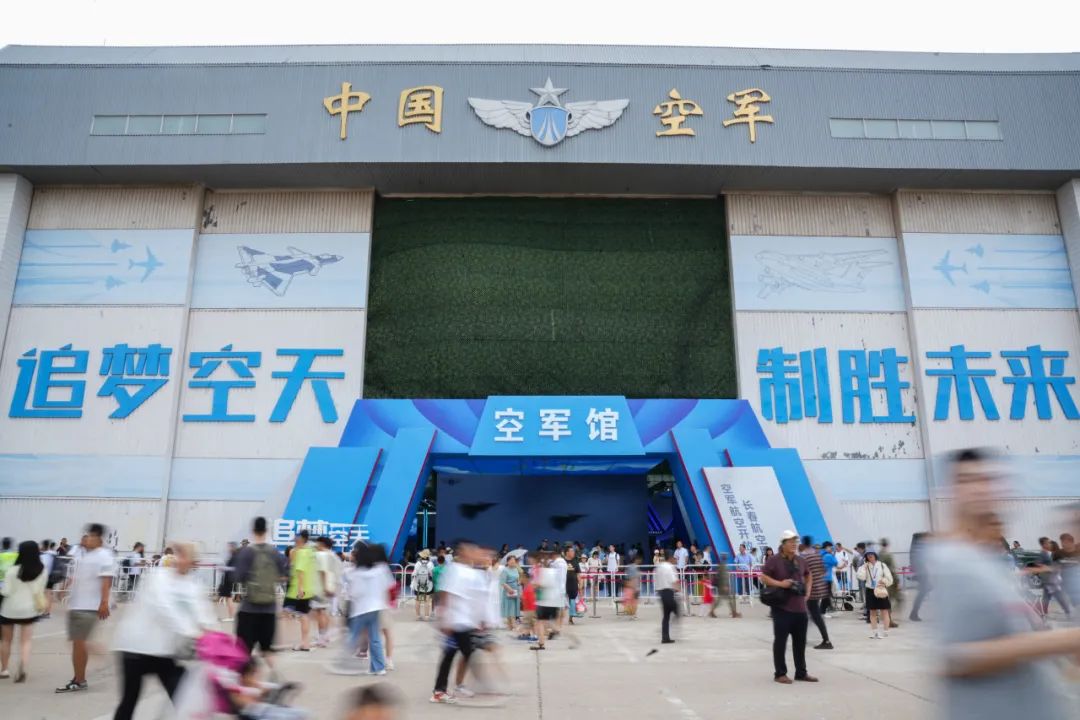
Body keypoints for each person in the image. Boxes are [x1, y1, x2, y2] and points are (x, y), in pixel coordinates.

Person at [926, 448, 1080, 720]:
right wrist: (1063, 640)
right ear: (951, 490)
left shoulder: (984, 558)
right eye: (966, 480)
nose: (979, 488)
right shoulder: (951, 559)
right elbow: (955, 658)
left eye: (987, 479)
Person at [111, 541, 216, 720]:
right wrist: (194, 633)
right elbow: (164, 607)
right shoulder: (158, 577)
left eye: (186, 556)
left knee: (184, 696)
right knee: (130, 700)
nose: (180, 559)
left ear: (193, 562)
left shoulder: (192, 585)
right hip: (135, 648)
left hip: (163, 651)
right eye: (179, 554)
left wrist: (215, 635)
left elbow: (203, 613)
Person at [56, 522, 114, 693]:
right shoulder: (85, 554)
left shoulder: (104, 556)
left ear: (98, 538)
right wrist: (65, 588)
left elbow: (106, 580)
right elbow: (77, 576)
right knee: (77, 643)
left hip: (90, 606)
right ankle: (78, 678)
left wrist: (104, 602)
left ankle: (80, 680)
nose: (87, 538)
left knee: (79, 643)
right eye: (87, 535)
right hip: (77, 604)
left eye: (91, 536)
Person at [760, 529, 817, 684]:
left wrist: (808, 591)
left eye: (795, 542)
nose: (794, 544)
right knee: (780, 642)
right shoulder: (774, 560)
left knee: (800, 643)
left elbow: (808, 575)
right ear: (783, 544)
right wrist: (781, 584)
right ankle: (780, 673)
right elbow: (763, 577)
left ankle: (801, 672)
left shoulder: (800, 560)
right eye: (790, 542)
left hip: (800, 609)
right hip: (782, 609)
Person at [431, 540, 486, 703]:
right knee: (464, 652)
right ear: (462, 552)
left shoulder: (469, 571)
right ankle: (444, 690)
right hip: (456, 622)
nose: (474, 553)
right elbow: (446, 594)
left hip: (464, 621)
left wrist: (478, 618)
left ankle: (442, 690)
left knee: (453, 654)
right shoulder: (455, 570)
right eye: (471, 550)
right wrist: (444, 619)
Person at [233, 517, 289, 666]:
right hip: (269, 609)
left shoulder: (247, 552)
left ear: (253, 531)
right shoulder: (274, 553)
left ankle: (243, 678)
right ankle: (274, 676)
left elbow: (237, 577)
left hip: (249, 609)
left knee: (243, 651)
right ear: (266, 531)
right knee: (267, 650)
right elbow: (283, 576)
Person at [336, 542, 395, 676]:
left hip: (361, 609)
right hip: (376, 608)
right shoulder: (380, 569)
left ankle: (343, 664)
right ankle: (378, 667)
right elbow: (389, 585)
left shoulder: (355, 573)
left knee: (353, 636)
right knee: (375, 638)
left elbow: (355, 592)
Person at [0, 540, 47, 682]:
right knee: (25, 641)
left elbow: (6, 591)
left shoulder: (12, 570)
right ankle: (23, 668)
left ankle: (4, 670)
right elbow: (39, 591)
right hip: (29, 610)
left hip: (9, 609)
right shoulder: (42, 570)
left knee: (6, 641)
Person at [284, 529, 319, 651]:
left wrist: (300, 589)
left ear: (302, 539)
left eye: (297, 537)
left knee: (302, 616)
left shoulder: (302, 553)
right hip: (307, 588)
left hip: (300, 590)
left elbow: (300, 572)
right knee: (303, 615)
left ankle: (305, 643)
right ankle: (305, 642)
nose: (295, 539)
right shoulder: (310, 551)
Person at [800, 536, 833, 649]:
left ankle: (826, 641)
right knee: (811, 614)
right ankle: (803, 637)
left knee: (814, 615)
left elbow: (802, 574)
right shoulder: (818, 555)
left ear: (803, 544)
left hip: (810, 590)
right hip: (819, 588)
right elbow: (824, 571)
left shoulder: (804, 557)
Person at [312, 536, 343, 647]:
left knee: (320, 611)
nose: (315, 546)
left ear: (322, 544)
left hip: (323, 587)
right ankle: (325, 635)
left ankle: (322, 637)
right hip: (333, 586)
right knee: (324, 611)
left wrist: (325, 587)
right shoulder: (334, 556)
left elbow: (323, 572)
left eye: (317, 544)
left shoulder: (323, 555)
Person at [857, 549, 894, 639]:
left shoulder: (882, 565)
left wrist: (884, 582)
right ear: (866, 557)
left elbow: (889, 578)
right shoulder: (865, 566)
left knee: (884, 611)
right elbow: (861, 577)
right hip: (870, 590)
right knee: (872, 612)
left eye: (871, 554)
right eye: (868, 555)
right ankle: (875, 633)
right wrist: (864, 568)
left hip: (880, 589)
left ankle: (885, 632)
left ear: (875, 555)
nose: (870, 556)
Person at [1036, 536, 1072, 617]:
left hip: (1050, 579)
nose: (1050, 544)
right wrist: (1049, 568)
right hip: (1050, 580)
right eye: (1048, 542)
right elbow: (1039, 564)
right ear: (1044, 544)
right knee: (1059, 595)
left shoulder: (1047, 553)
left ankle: (1043, 612)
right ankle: (1068, 612)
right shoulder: (1043, 554)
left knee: (1046, 597)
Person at [708, 552, 740, 619]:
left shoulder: (722, 565)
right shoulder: (722, 565)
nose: (726, 557)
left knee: (722, 600)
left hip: (722, 586)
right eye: (725, 556)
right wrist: (725, 586)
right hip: (723, 586)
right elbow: (722, 576)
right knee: (724, 600)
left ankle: (733, 612)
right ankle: (733, 612)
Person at [656, 549, 678, 644]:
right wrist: (679, 591)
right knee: (677, 611)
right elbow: (674, 581)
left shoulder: (659, 566)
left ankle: (665, 637)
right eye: (674, 557)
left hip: (661, 593)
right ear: (670, 557)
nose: (675, 559)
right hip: (668, 592)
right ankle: (664, 634)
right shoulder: (670, 567)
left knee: (666, 616)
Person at [412, 549, 436, 621]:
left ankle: (418, 616)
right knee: (427, 601)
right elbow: (432, 574)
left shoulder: (417, 563)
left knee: (418, 600)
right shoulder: (430, 564)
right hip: (428, 585)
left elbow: (414, 574)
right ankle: (426, 617)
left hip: (418, 584)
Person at [218, 542, 240, 622]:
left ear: (233, 547)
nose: (228, 548)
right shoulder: (233, 556)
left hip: (229, 579)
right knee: (228, 597)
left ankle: (231, 616)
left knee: (229, 598)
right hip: (228, 579)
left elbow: (235, 568)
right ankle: (230, 616)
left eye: (230, 547)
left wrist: (224, 568)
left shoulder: (235, 557)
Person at [500, 555, 521, 631]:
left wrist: (518, 582)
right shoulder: (505, 570)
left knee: (514, 607)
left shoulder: (515, 569)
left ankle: (510, 625)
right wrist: (509, 589)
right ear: (507, 562)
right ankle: (514, 625)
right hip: (508, 590)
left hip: (516, 590)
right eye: (511, 561)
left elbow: (517, 578)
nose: (513, 562)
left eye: (514, 561)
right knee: (510, 608)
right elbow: (502, 582)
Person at [819, 542, 838, 617]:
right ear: (826, 547)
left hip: (822, 578)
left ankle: (823, 611)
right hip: (827, 578)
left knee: (826, 595)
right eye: (831, 547)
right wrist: (833, 555)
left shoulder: (821, 554)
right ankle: (823, 612)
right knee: (827, 596)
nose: (832, 549)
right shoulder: (828, 555)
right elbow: (835, 563)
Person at [564, 547, 580, 623]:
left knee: (572, 600)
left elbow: (578, 573)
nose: (573, 552)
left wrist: (580, 584)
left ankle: (571, 618)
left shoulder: (575, 562)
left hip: (573, 584)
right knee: (562, 601)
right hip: (564, 584)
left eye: (573, 551)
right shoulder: (562, 562)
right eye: (571, 551)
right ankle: (559, 618)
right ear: (567, 552)